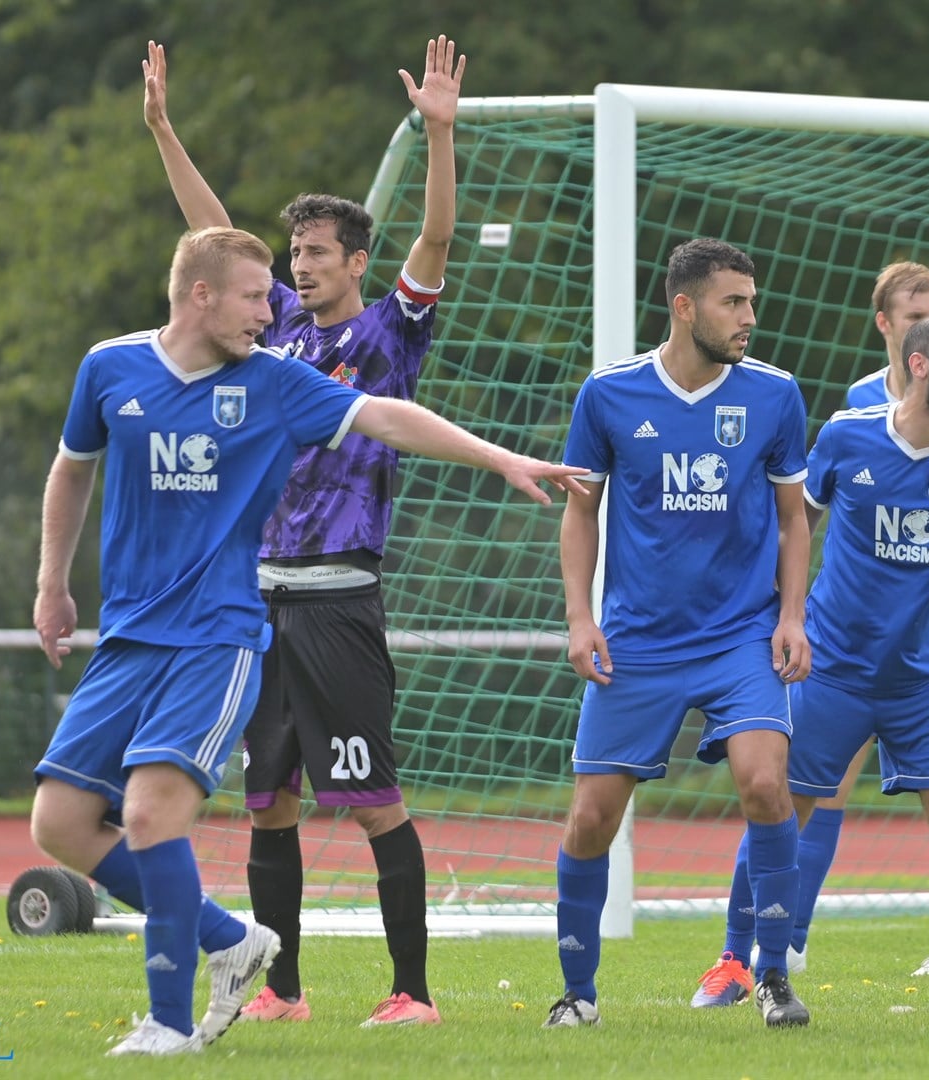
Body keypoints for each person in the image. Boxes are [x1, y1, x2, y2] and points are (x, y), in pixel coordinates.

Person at [30, 227, 584, 1056]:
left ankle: (170, 1023)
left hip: (217, 638)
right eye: (256, 295)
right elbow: (72, 466)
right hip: (129, 638)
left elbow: (388, 417)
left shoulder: (277, 383)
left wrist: (499, 457)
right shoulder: (110, 368)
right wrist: (51, 582)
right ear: (201, 294)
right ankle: (230, 936)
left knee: (148, 814)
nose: (273, 310)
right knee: (60, 824)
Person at [143, 36, 464, 1026]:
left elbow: (438, 245)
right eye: (295, 256)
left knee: (373, 804)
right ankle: (282, 990)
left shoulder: (386, 335)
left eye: (318, 254)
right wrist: (162, 129)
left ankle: (411, 993)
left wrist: (441, 138)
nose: (300, 266)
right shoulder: (274, 328)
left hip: (339, 597)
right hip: (259, 595)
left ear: (356, 262)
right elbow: (213, 235)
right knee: (268, 801)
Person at [699, 312, 929, 1014]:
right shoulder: (847, 434)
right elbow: (795, 525)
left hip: (926, 672)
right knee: (784, 807)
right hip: (831, 669)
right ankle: (734, 962)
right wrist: (783, 617)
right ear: (921, 364)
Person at [547, 238, 813, 1030]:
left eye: (753, 302)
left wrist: (792, 615)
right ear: (685, 306)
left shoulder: (775, 395)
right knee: (591, 819)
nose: (749, 318)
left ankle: (770, 976)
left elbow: (796, 519)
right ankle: (577, 994)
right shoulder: (609, 394)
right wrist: (580, 618)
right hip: (639, 642)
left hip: (741, 637)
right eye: (734, 302)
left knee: (766, 785)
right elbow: (580, 509)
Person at [784, 262, 929, 981]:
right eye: (917, 314)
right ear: (889, 328)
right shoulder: (854, 412)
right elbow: (819, 512)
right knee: (821, 787)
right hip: (849, 637)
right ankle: (789, 937)